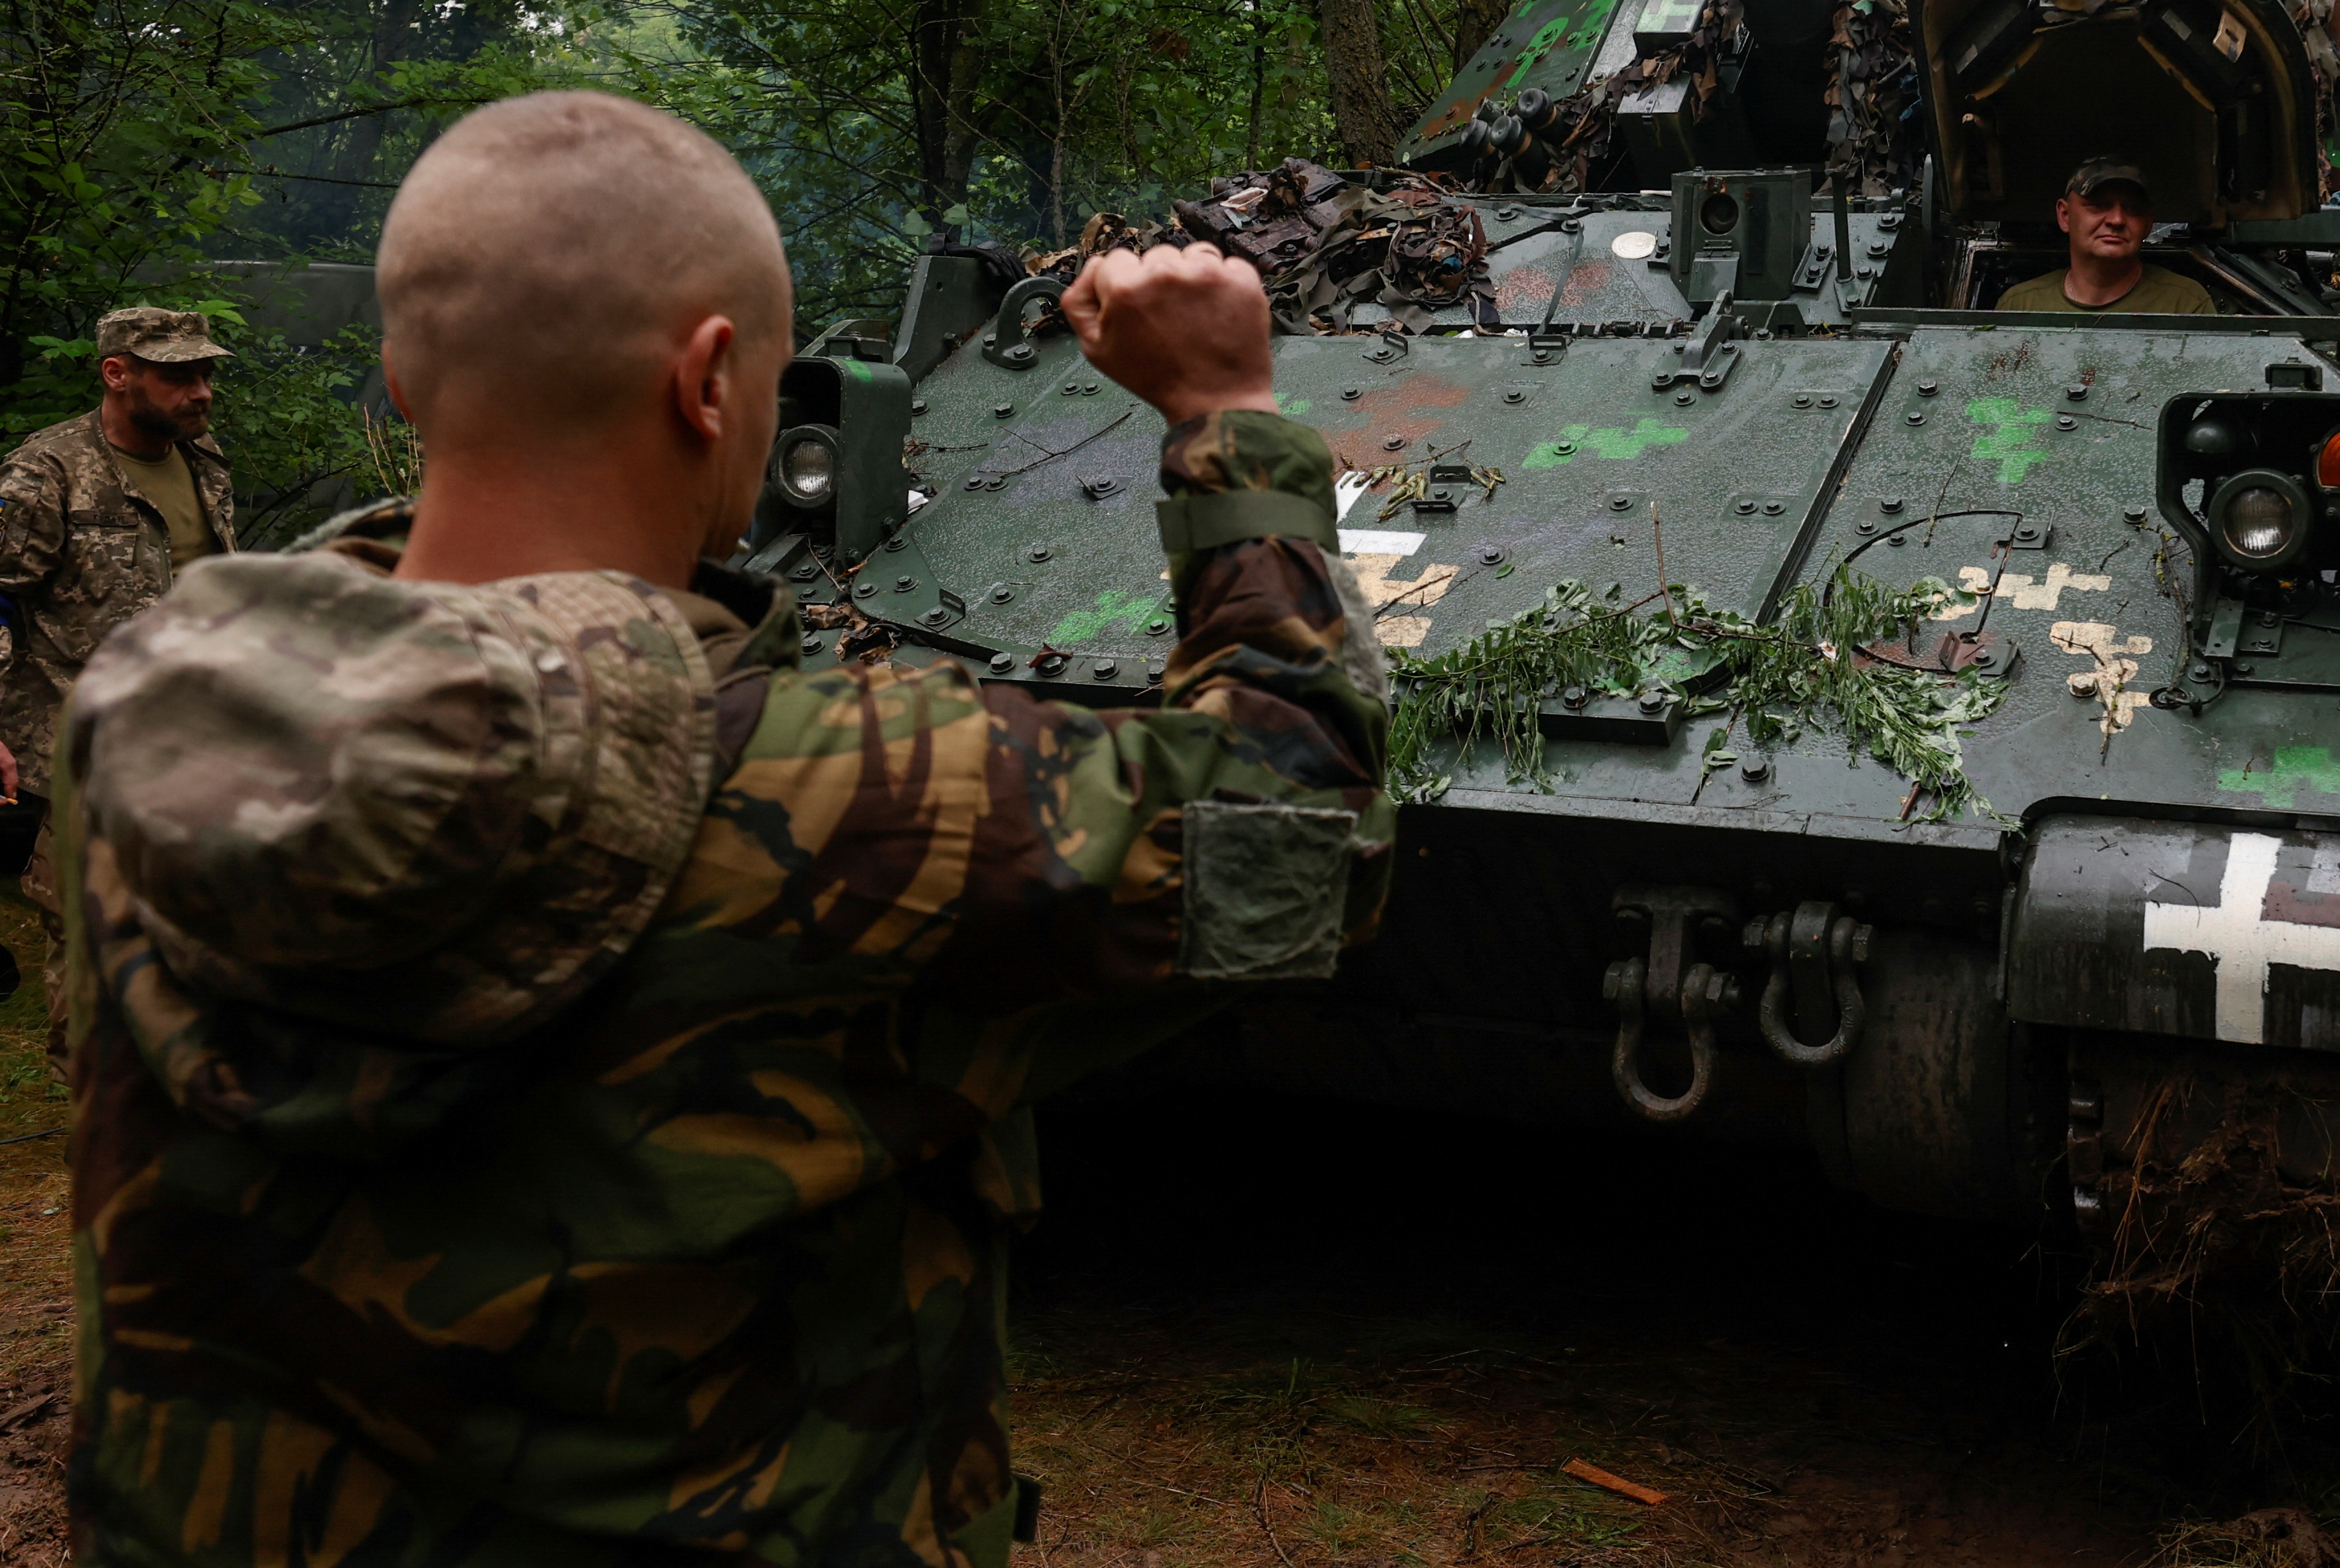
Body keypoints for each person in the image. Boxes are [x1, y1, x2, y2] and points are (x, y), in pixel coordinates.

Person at [54, 90, 1391, 1565]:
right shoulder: (858, 792)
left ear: (400, 377)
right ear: (707, 380)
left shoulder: (150, 721)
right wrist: (1224, 414)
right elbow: (1296, 831)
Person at [0, 305, 234, 1066]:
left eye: (205, 373)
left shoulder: (203, 459)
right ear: (117, 373)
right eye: (178, 375)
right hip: (87, 747)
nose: (201, 391)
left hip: (193, 744)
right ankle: (97, 1116)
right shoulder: (48, 471)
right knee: (91, 944)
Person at [1994, 158, 2221, 314]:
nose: (2117, 220)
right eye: (2099, 205)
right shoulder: (2022, 305)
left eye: (2132, 208)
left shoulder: (2184, 304)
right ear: (2065, 216)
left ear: (2148, 224)